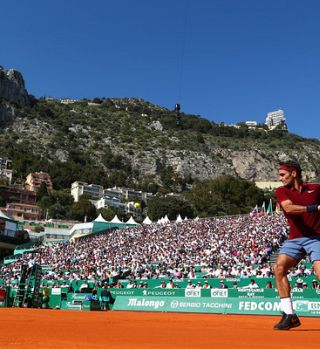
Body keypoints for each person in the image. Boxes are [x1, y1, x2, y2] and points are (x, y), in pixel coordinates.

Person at [273, 160, 320, 330]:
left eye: (282, 175)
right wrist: (316, 208)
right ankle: (290, 315)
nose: (280, 178)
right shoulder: (281, 191)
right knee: (278, 268)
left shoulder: (316, 188)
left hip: (316, 238)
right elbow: (290, 209)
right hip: (294, 239)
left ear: (294, 174)